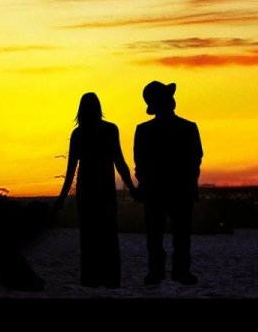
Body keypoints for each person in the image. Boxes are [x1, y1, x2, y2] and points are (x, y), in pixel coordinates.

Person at [53, 92, 136, 288]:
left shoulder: (78, 134)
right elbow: (120, 162)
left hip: (88, 191)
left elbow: (71, 170)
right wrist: (131, 187)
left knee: (89, 237)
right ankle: (111, 279)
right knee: (108, 235)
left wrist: (62, 198)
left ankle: (90, 279)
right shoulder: (109, 130)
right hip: (104, 190)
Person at [134, 80, 202, 285]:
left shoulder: (144, 131)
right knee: (179, 234)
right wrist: (192, 185)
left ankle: (158, 270)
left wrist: (143, 184)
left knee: (157, 234)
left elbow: (140, 163)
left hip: (158, 190)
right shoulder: (189, 128)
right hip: (178, 189)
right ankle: (178, 271)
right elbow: (195, 159)